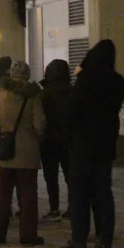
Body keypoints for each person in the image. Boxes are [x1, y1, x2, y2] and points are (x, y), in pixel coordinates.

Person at [59, 40, 124, 248]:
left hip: (82, 144)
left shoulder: (86, 80)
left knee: (79, 194)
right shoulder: (117, 82)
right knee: (103, 192)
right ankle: (105, 239)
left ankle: (79, 239)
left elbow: (71, 111)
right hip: (105, 144)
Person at [0, 60, 47, 245]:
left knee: (2, 194)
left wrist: (1, 132)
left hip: (6, 151)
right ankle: (28, 235)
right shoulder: (33, 95)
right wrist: (36, 136)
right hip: (27, 152)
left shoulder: (1, 92)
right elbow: (40, 124)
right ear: (27, 74)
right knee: (28, 196)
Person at [39, 59, 72, 220]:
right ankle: (73, 206)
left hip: (49, 139)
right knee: (70, 175)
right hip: (68, 139)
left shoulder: (45, 92)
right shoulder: (72, 91)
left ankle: (54, 207)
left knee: (51, 175)